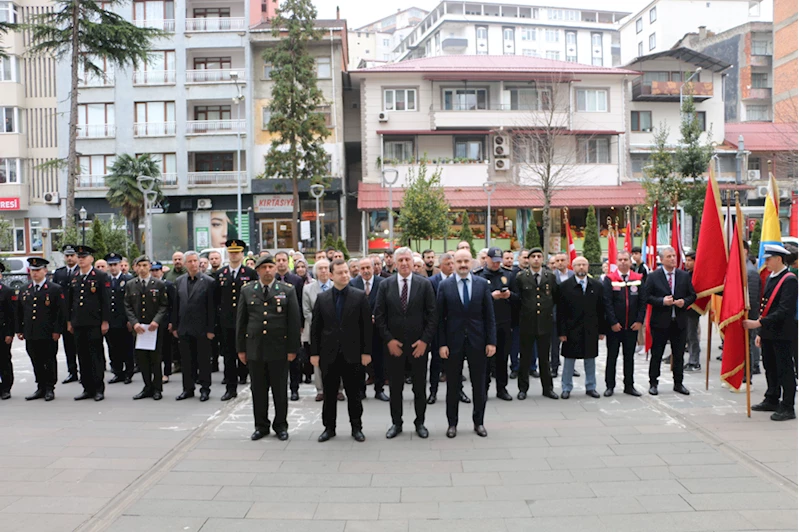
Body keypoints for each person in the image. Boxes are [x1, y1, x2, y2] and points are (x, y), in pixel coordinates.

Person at [374, 247, 437, 439]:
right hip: (394, 347)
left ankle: (420, 423)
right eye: (400, 260)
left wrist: (425, 341)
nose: (403, 263)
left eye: (407, 260)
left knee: (419, 387)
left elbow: (433, 316)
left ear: (412, 262)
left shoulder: (424, 284)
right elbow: (379, 315)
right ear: (394, 262)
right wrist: (389, 340)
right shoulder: (385, 285)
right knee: (395, 388)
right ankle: (396, 423)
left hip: (418, 346)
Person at [237, 254, 300, 441]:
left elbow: (294, 322)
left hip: (279, 349)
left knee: (280, 390)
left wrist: (292, 349)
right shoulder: (247, 290)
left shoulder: (287, 290)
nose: (267, 271)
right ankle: (261, 425)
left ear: (275, 269)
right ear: (257, 271)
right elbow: (241, 322)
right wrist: (241, 349)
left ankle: (281, 425)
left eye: (270, 267)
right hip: (255, 349)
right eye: (263, 268)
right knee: (258, 390)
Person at [438, 249, 496, 438]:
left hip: (478, 342)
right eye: (459, 261)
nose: (463, 265)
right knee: (452, 385)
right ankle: (452, 424)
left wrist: (491, 341)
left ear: (471, 263)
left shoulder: (482, 285)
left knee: (479, 385)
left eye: (466, 261)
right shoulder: (444, 286)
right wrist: (442, 344)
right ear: (453, 263)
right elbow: (440, 319)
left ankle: (478, 422)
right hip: (452, 343)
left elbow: (489, 316)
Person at [312, 259, 372, 442]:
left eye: (346, 272)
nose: (345, 275)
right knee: (329, 394)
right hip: (329, 354)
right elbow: (316, 328)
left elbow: (366, 327)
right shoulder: (322, 299)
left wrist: (366, 352)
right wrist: (314, 354)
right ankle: (329, 428)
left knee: (354, 393)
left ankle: (356, 427)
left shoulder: (359, 296)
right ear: (331, 275)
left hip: (353, 353)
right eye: (340, 272)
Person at [744, 244, 798, 421]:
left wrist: (758, 323)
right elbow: (765, 307)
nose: (765, 262)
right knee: (770, 367)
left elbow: (784, 310)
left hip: (783, 333)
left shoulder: (789, 279)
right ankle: (772, 397)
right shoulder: (770, 277)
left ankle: (788, 406)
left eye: (768, 259)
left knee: (784, 369)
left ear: (779, 259)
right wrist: (761, 332)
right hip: (769, 332)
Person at [644, 246, 696, 396]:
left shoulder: (683, 276)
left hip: (679, 321)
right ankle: (653, 383)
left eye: (674, 256)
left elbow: (692, 295)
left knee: (678, 354)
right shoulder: (654, 276)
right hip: (660, 322)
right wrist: (661, 301)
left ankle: (678, 383)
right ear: (661, 260)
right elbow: (646, 297)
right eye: (669, 256)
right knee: (657, 353)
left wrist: (684, 302)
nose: (673, 259)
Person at [17, 258, 65, 401]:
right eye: (32, 270)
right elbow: (19, 311)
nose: (35, 273)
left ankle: (50, 387)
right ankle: (40, 387)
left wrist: (57, 330)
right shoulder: (25, 289)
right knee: (35, 360)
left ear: (45, 271)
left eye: (38, 270)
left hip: (48, 332)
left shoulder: (54, 289)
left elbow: (59, 312)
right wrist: (19, 330)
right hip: (31, 332)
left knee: (49, 360)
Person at [66, 245, 110, 402]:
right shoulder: (75, 277)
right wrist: (69, 321)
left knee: (95, 356)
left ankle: (98, 388)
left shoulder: (99, 276)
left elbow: (105, 301)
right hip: (78, 323)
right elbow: (71, 301)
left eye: (84, 256)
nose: (81, 259)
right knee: (82, 356)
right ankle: (87, 388)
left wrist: (105, 321)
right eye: (79, 256)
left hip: (94, 323)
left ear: (91, 258)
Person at [514, 247, 559, 401]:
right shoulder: (521, 277)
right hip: (527, 323)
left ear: (542, 259)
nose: (536, 259)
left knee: (544, 359)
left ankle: (548, 388)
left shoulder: (550, 276)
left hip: (545, 324)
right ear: (528, 259)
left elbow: (555, 297)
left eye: (539, 256)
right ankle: (523, 389)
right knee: (525, 358)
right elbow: (517, 300)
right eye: (533, 257)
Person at [557, 256, 605, 399]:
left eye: (584, 264)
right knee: (569, 360)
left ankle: (591, 386)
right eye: (578, 265)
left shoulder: (596, 286)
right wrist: (562, 332)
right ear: (573, 267)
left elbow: (601, 310)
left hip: (591, 328)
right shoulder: (565, 287)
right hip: (571, 329)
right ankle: (566, 387)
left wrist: (601, 330)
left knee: (590, 358)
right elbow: (561, 312)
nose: (581, 267)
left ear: (588, 267)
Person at [215, 240, 257, 401]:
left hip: (246, 322)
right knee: (229, 356)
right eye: (231, 252)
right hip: (227, 323)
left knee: (250, 355)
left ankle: (253, 386)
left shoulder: (250, 273)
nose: (234, 255)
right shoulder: (221, 274)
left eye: (237, 252)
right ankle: (230, 388)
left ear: (242, 254)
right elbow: (217, 300)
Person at [172, 251, 216, 402]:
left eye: (195, 261)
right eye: (189, 261)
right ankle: (188, 388)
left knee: (203, 361)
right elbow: (176, 306)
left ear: (199, 262)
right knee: (186, 361)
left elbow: (212, 308)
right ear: (185, 264)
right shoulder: (179, 281)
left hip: (202, 329)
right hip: (184, 328)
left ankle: (205, 389)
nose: (192, 264)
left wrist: (211, 329)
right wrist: (175, 327)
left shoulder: (209, 282)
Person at [125, 256, 169, 401]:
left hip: (153, 328)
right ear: (136, 267)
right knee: (142, 359)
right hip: (139, 328)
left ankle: (157, 388)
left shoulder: (158, 284)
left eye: (145, 265)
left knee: (155, 359)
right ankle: (147, 386)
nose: (142, 268)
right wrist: (134, 322)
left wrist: (156, 321)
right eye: (140, 265)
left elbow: (164, 305)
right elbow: (127, 305)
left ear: (149, 266)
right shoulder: (131, 284)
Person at [602, 251, 645, 397]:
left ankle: (629, 386)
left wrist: (639, 321)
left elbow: (642, 302)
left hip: (631, 327)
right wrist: (613, 322)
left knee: (629, 357)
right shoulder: (610, 279)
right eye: (620, 260)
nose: (623, 262)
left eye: (625, 259)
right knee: (612, 356)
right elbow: (607, 303)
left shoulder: (638, 278)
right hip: (614, 327)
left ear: (630, 261)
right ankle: (610, 386)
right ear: (616, 262)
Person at [475, 247, 515, 401]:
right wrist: (491, 297)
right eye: (494, 261)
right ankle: (483, 389)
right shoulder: (479, 276)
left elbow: (518, 298)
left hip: (503, 322)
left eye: (499, 261)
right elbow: (475, 300)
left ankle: (501, 388)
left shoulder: (508, 275)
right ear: (487, 259)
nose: (496, 264)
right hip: (484, 324)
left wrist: (509, 295)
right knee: (484, 359)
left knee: (502, 358)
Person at [350, 257, 388, 401]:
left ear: (373, 268)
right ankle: (361, 390)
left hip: (377, 329)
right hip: (358, 330)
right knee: (359, 361)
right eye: (363, 268)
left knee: (379, 360)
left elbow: (386, 304)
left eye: (368, 268)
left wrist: (377, 317)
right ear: (359, 270)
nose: (365, 271)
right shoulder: (353, 284)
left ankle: (379, 389)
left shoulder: (382, 283)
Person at [303, 259, 340, 402]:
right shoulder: (308, 289)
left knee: (338, 359)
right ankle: (321, 390)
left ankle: (338, 389)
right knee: (318, 360)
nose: (323, 271)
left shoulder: (336, 286)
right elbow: (307, 311)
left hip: (335, 329)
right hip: (317, 330)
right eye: (320, 268)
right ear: (316, 272)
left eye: (326, 268)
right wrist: (320, 323)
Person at [103, 253, 134, 385]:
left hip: (124, 320)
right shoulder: (105, 281)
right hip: (111, 320)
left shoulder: (128, 280)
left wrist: (130, 320)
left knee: (127, 347)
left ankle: (128, 372)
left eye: (115, 265)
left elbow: (131, 301)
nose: (113, 268)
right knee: (113, 348)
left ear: (120, 265)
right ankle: (117, 372)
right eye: (111, 265)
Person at [428, 253, 454, 404]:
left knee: (455, 362)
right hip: (438, 327)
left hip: (454, 327)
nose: (451, 266)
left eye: (452, 263)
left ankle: (459, 391)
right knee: (436, 362)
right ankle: (433, 392)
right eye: (448, 263)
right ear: (441, 266)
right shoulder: (432, 282)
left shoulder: (458, 280)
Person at [52, 245, 79, 384]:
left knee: (81, 345)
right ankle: (72, 371)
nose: (69, 258)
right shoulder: (59, 273)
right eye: (67, 256)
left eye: (72, 255)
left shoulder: (81, 272)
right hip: (64, 314)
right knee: (68, 345)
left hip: (79, 315)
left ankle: (85, 371)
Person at [550, 253, 576, 379]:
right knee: (555, 344)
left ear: (567, 261)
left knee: (572, 342)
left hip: (572, 315)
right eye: (557, 260)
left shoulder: (574, 275)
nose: (560, 263)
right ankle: (554, 367)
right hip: (556, 314)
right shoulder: (551, 276)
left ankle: (571, 367)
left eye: (562, 260)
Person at [150, 262, 176, 383]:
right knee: (153, 349)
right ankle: (155, 372)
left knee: (166, 348)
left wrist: (172, 322)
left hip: (165, 320)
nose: (155, 273)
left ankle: (166, 372)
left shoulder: (168, 285)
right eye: (153, 270)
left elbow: (173, 304)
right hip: (152, 321)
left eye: (157, 270)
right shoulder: (149, 284)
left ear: (161, 271)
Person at [742, 241, 762, 375]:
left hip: (750, 315)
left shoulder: (750, 271)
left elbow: (753, 298)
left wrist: (750, 319)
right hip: (743, 315)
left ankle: (752, 368)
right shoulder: (742, 268)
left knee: (749, 343)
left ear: (745, 251)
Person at [683, 251, 702, 372]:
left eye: (690, 260)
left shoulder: (698, 276)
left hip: (693, 309)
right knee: (685, 336)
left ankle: (694, 361)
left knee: (692, 335)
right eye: (686, 260)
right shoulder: (686, 275)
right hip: (683, 309)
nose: (687, 263)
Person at [631, 245, 650, 355]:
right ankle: (640, 343)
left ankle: (646, 345)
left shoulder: (644, 267)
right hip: (635, 297)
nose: (634, 256)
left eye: (636, 254)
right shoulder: (634, 267)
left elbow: (646, 283)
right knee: (637, 322)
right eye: (633, 254)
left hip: (643, 297)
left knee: (644, 324)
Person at [0, 263, 14, 400]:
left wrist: (10, 333)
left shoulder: (7, 291)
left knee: (4, 360)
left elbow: (11, 315)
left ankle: (6, 388)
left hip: (2, 332)